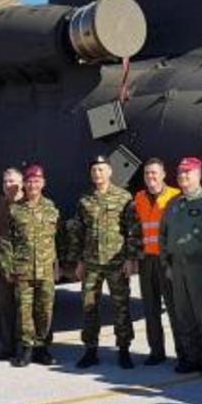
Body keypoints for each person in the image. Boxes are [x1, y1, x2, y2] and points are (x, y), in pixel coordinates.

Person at [66, 156, 140, 369]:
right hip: (91, 263)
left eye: (101, 169)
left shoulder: (124, 197)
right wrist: (78, 261)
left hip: (116, 262)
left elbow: (133, 230)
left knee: (121, 307)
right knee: (89, 307)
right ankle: (90, 350)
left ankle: (124, 350)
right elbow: (78, 232)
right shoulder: (85, 200)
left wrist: (131, 258)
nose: (97, 174)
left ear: (109, 172)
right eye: (94, 170)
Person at [159, 158, 202, 376]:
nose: (183, 178)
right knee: (184, 315)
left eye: (188, 173)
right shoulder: (174, 204)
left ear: (198, 175)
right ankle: (191, 358)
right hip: (178, 267)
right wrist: (166, 264)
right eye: (180, 174)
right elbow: (163, 236)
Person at [0, 164, 61, 367]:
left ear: (43, 183)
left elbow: (57, 239)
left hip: (46, 270)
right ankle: (26, 349)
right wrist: (7, 268)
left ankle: (42, 348)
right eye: (29, 181)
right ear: (24, 184)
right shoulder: (15, 210)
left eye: (37, 181)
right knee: (24, 312)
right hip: (22, 270)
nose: (33, 184)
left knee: (45, 310)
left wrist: (57, 265)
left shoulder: (51, 208)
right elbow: (6, 242)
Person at [133, 158, 180, 366]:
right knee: (150, 308)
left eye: (154, 173)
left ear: (163, 174)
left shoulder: (176, 196)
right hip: (147, 261)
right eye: (146, 174)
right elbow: (134, 230)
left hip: (167, 260)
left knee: (174, 308)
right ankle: (156, 351)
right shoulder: (139, 198)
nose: (150, 177)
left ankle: (183, 352)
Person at [0, 168, 23, 359]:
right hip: (2, 266)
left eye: (12, 181)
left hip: (25, 265)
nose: (9, 185)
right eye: (5, 182)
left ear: (22, 183)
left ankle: (25, 347)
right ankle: (7, 346)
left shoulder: (29, 204)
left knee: (25, 308)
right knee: (4, 308)